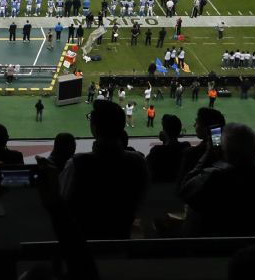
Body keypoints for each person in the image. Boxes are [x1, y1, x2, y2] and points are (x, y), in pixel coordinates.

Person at [51, 99, 148, 239]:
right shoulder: (139, 162)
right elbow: (141, 202)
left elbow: (61, 207)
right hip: (122, 242)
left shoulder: (76, 164)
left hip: (85, 243)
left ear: (94, 128)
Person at [180, 123, 255, 237]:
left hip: (217, 251)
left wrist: (208, 154)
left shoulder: (211, 180)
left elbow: (184, 190)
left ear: (225, 152)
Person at [178, 107, 226, 181]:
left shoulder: (190, 154)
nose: (194, 125)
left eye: (197, 123)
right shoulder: (229, 155)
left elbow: (183, 184)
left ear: (206, 128)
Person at [146, 114, 191, 183]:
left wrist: (164, 140)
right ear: (179, 131)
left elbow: (146, 167)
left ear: (164, 131)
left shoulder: (156, 151)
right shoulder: (186, 146)